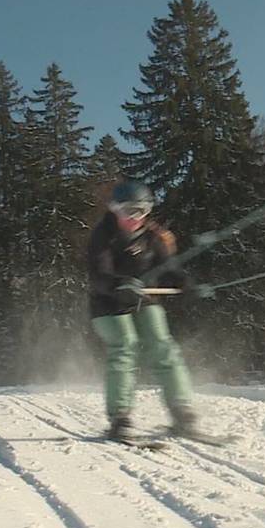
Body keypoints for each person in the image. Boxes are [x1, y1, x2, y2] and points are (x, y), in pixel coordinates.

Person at [88, 180, 201, 441]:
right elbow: (98, 274)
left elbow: (169, 267)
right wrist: (119, 284)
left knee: (162, 346)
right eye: (128, 211)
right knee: (125, 345)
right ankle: (120, 417)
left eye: (142, 211)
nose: (135, 218)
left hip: (144, 299)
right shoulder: (103, 235)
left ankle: (182, 411)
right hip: (108, 305)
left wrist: (184, 282)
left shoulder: (152, 237)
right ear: (115, 210)